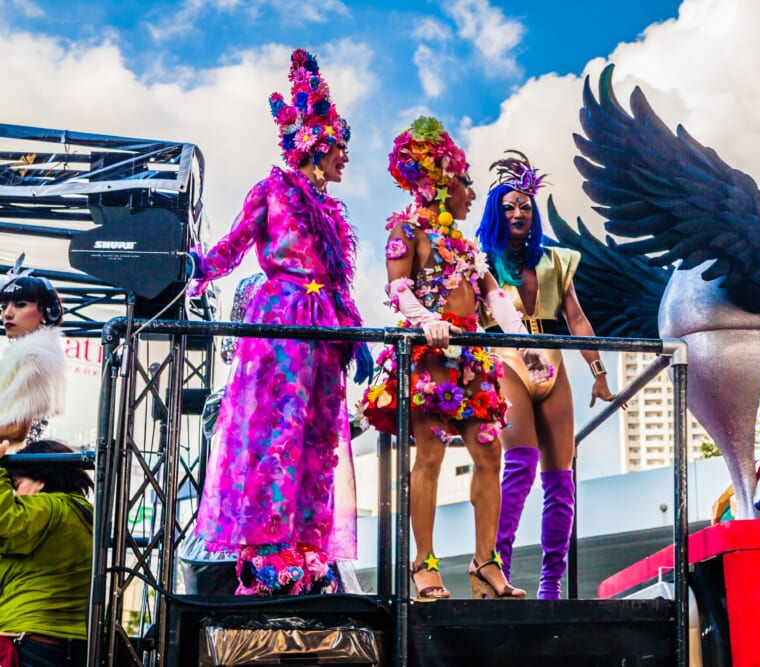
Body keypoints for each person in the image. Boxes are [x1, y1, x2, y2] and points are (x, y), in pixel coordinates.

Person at [190, 48, 369, 596]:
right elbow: (233, 246)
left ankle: (308, 549)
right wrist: (195, 265)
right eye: (341, 148)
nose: (345, 160)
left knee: (317, 439)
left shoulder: (333, 213)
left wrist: (355, 332)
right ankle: (265, 552)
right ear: (317, 147)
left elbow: (338, 281)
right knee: (275, 431)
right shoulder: (271, 191)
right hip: (282, 317)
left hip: (326, 326)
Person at [362, 117, 550, 600]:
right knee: (430, 454)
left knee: (490, 452)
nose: (472, 194)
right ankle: (423, 565)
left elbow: (497, 299)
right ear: (443, 184)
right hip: (428, 360)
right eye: (467, 182)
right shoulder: (406, 231)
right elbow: (398, 287)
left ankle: (485, 562)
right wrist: (426, 319)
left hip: (469, 361)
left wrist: (526, 347)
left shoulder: (466, 246)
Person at [476, 151, 615, 599]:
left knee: (561, 477)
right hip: (507, 360)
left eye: (525, 206)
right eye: (509, 207)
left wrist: (598, 372)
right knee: (521, 465)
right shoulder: (480, 263)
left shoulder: (556, 261)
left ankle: (551, 585)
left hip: (551, 361)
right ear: (497, 215)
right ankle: (496, 571)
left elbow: (577, 319)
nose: (519, 213)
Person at [0, 439, 93, 667]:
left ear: (41, 481)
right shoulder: (86, 514)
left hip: (31, 641)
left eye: (17, 484)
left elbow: (5, 524)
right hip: (78, 645)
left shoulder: (52, 507)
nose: (15, 493)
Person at [0, 257, 66, 446]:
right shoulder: (32, 354)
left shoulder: (34, 355)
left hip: (11, 468)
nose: (7, 314)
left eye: (20, 304)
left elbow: (16, 430)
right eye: (4, 307)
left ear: (47, 312)